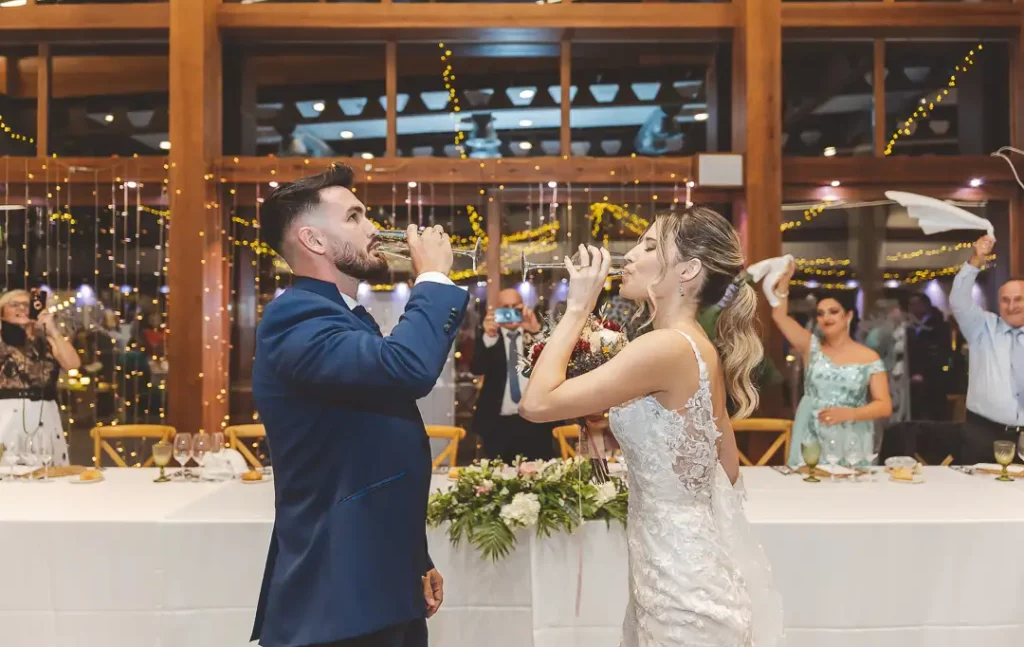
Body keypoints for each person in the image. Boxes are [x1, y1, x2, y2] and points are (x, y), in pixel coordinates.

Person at [519, 207, 784, 646]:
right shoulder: (695, 345)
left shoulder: (664, 347)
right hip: (679, 568)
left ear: (688, 270)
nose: (628, 256)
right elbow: (727, 467)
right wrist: (621, 432)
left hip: (678, 587)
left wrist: (578, 308)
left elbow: (535, 403)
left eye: (647, 245)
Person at [250, 163, 468, 647]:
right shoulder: (296, 316)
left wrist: (415, 556)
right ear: (314, 240)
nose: (373, 228)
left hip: (378, 571)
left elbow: (368, 451)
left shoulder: (342, 316)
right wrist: (431, 277)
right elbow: (407, 368)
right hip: (338, 589)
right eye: (355, 216)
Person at [770, 264, 893, 467]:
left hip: (852, 436)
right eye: (820, 313)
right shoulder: (811, 348)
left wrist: (850, 413)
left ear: (849, 316)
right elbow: (779, 316)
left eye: (833, 312)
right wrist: (784, 282)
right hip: (812, 434)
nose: (826, 318)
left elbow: (884, 405)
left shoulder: (869, 357)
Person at [949, 235, 1024, 462]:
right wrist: (976, 260)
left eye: (1019, 299)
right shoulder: (981, 327)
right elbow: (959, 301)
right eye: (1005, 300)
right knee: (981, 495)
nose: (1011, 306)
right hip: (983, 433)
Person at [0, 289, 80, 466]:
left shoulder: (46, 340)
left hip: (46, 413)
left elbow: (73, 364)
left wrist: (52, 330)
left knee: (48, 471)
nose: (21, 308)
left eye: (26, 305)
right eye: (14, 305)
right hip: (7, 413)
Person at [471, 289, 553, 460]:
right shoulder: (489, 337)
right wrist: (489, 336)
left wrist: (536, 331)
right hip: (497, 424)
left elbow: (553, 364)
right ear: (497, 311)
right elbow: (476, 367)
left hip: (535, 423)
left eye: (515, 306)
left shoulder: (536, 335)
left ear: (524, 307)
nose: (510, 312)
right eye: (505, 307)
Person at [907, 292, 951, 422]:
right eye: (910, 305)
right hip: (913, 378)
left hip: (932, 377)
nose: (911, 308)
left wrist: (924, 373)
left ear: (924, 306)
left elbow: (941, 352)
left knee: (934, 413)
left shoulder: (938, 326)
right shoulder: (910, 326)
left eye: (914, 304)